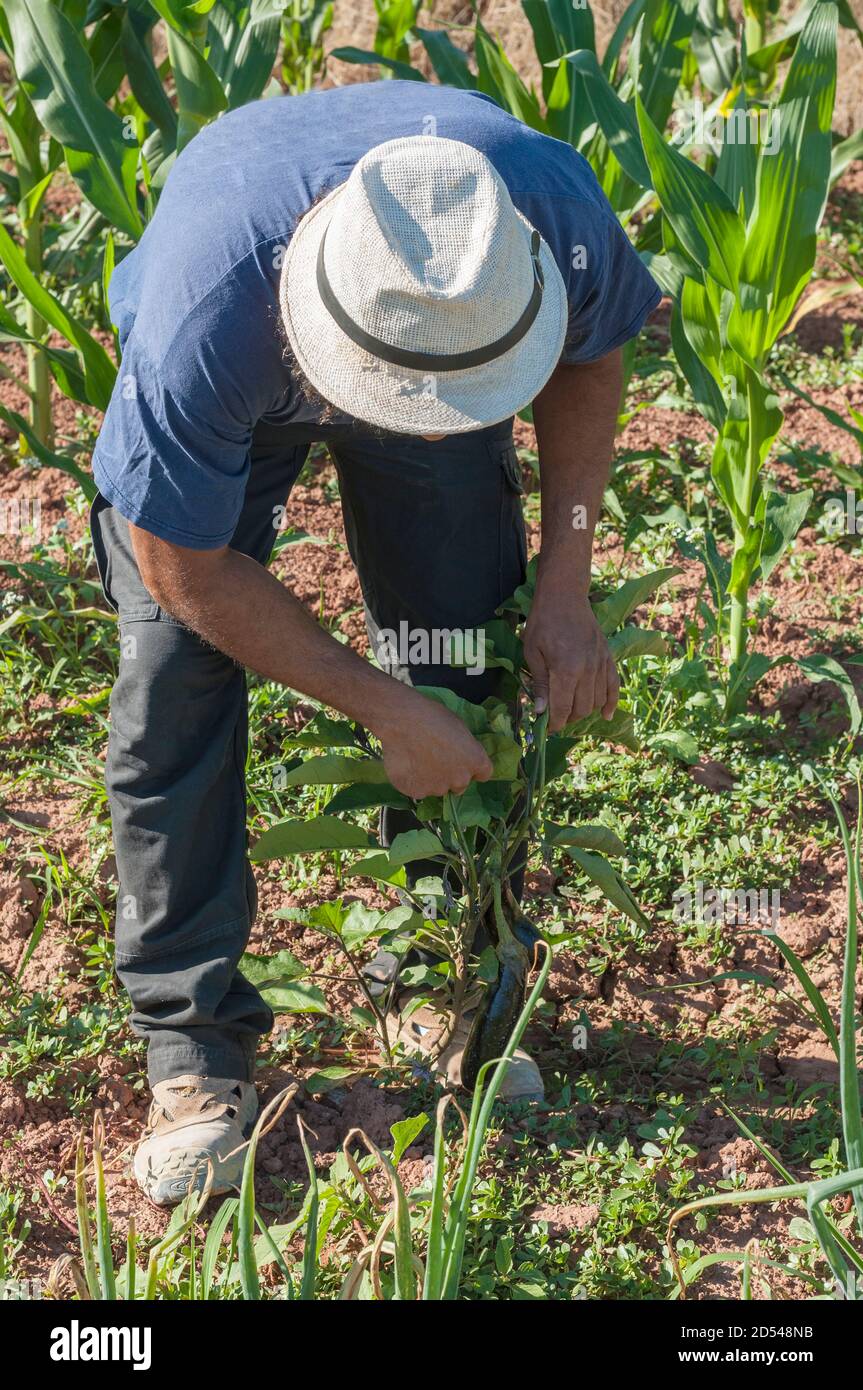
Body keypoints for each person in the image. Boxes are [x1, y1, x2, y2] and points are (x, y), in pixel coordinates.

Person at [89, 80, 661, 1205]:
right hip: (255, 343)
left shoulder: (542, 214)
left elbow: (594, 357)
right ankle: (193, 1047)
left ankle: (439, 972)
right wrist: (380, 710)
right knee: (172, 682)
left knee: (459, 644)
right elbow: (184, 565)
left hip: (431, 320)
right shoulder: (201, 318)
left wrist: (564, 580)